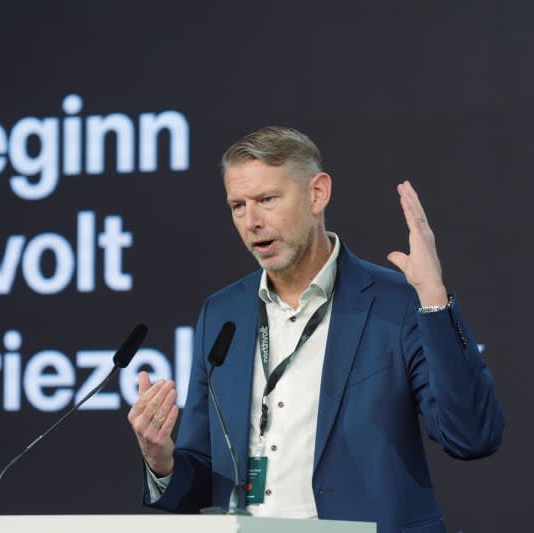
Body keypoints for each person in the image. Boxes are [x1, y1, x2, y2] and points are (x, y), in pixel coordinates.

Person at [127, 127, 504, 533]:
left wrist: (433, 296)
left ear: (317, 194)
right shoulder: (223, 313)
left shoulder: (395, 301)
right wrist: (161, 461)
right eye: (237, 206)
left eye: (267, 200)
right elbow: (204, 480)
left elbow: (472, 437)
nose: (251, 222)